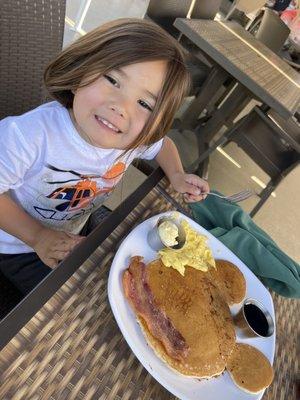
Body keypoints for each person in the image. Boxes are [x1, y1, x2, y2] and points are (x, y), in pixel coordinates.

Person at [0, 18, 209, 295]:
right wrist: (38, 236)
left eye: (145, 103)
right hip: (19, 245)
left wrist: (178, 174)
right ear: (80, 72)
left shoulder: (131, 139)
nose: (120, 107)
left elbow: (162, 145)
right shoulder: (28, 136)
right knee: (73, 302)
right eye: (112, 79)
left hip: (78, 226)